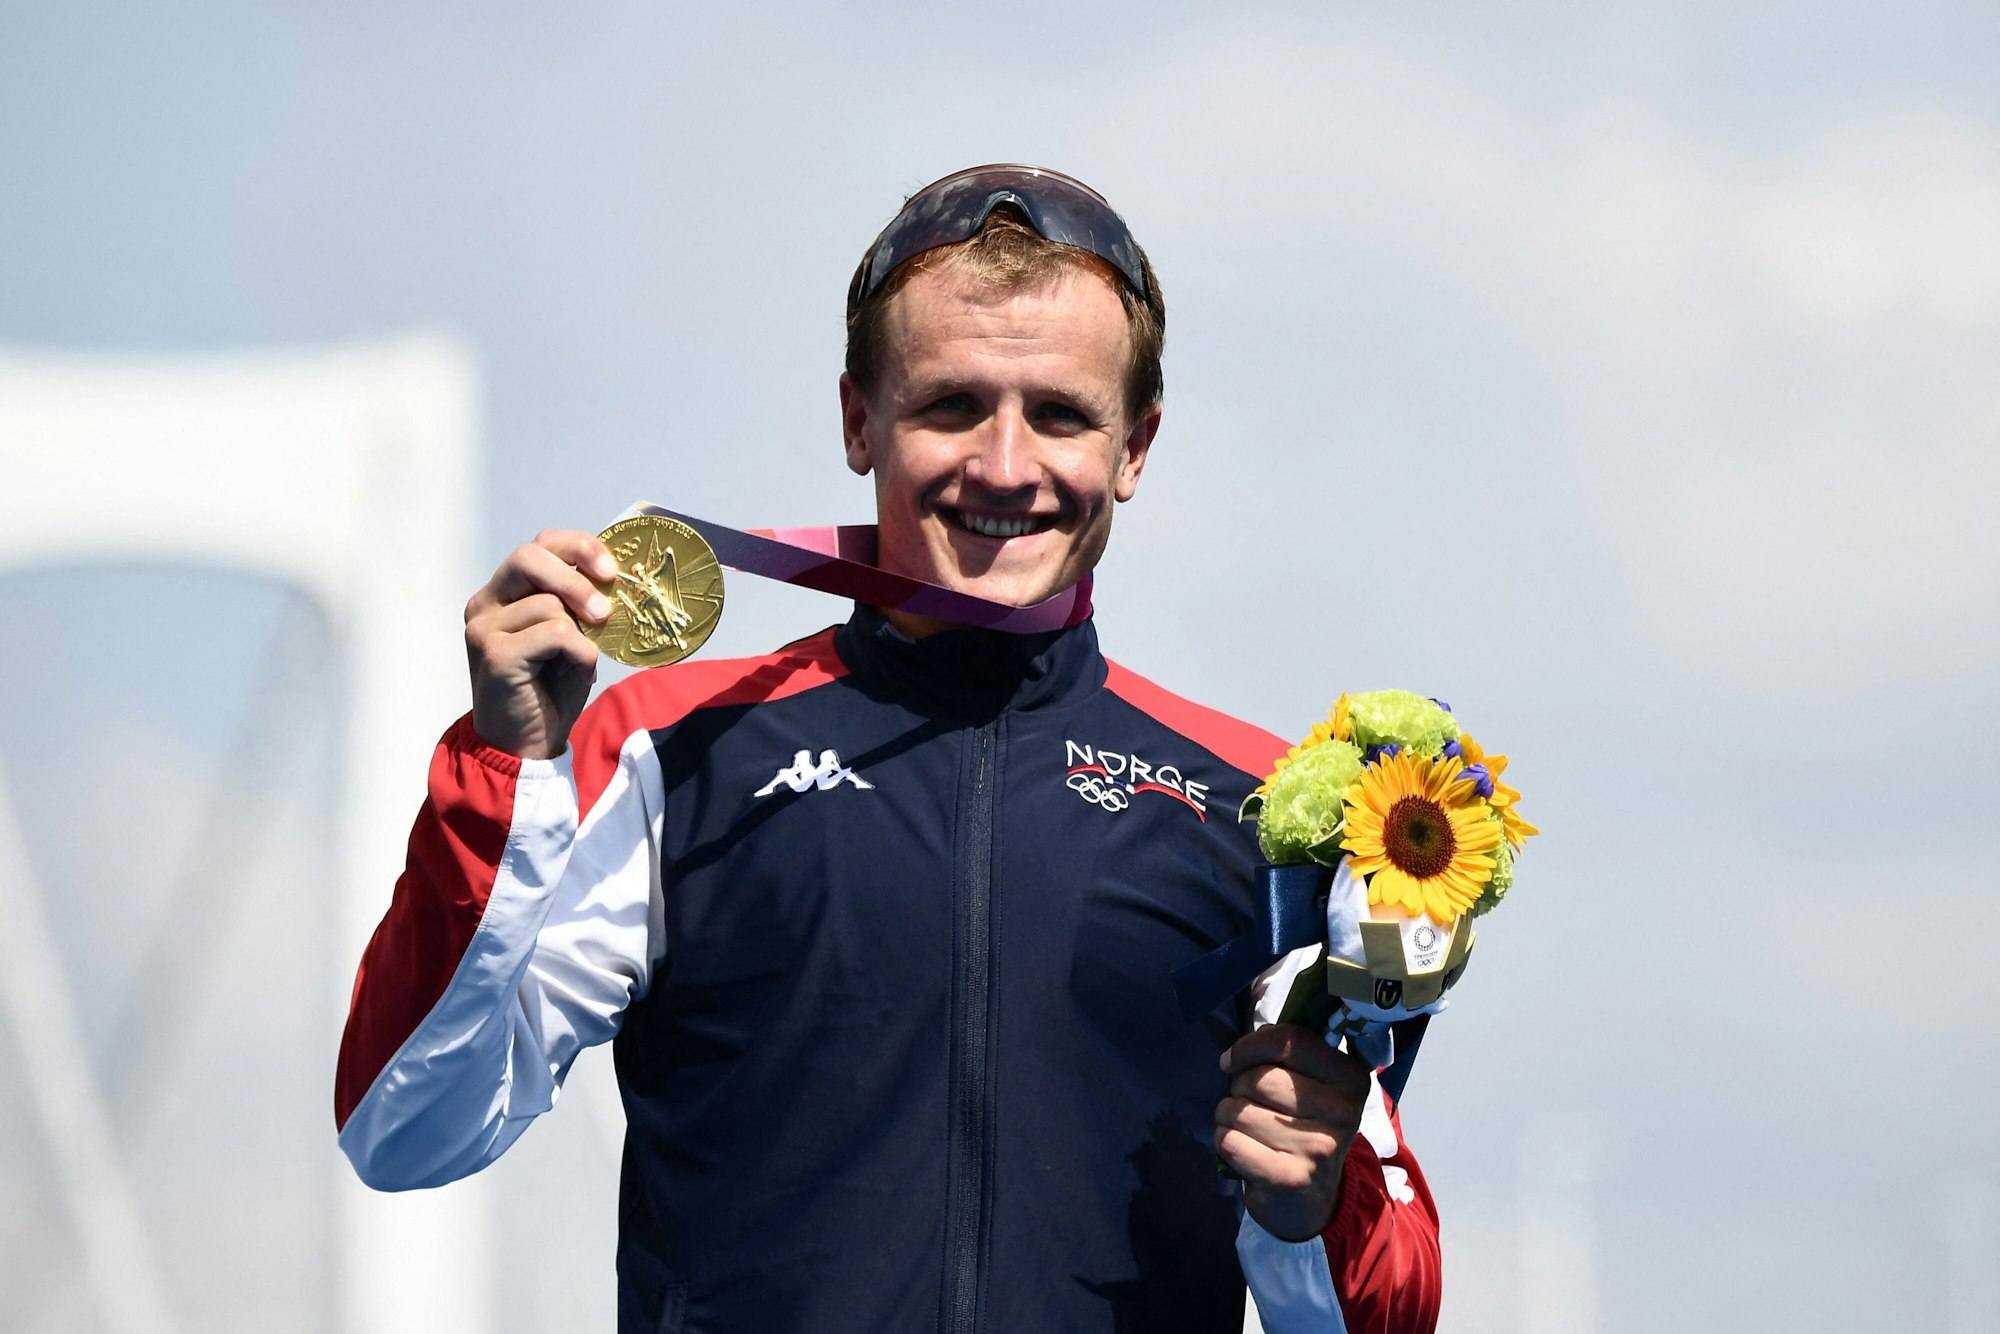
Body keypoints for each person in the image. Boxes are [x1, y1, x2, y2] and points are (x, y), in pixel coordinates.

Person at [335, 165, 1442, 1333]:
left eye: (1059, 414)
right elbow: (406, 1127)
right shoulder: (671, 751)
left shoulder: (1263, 808)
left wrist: (1310, 1206)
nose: (1005, 466)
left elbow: (1382, 1310)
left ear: (1134, 445)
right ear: (859, 419)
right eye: (951, 405)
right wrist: (504, 767)